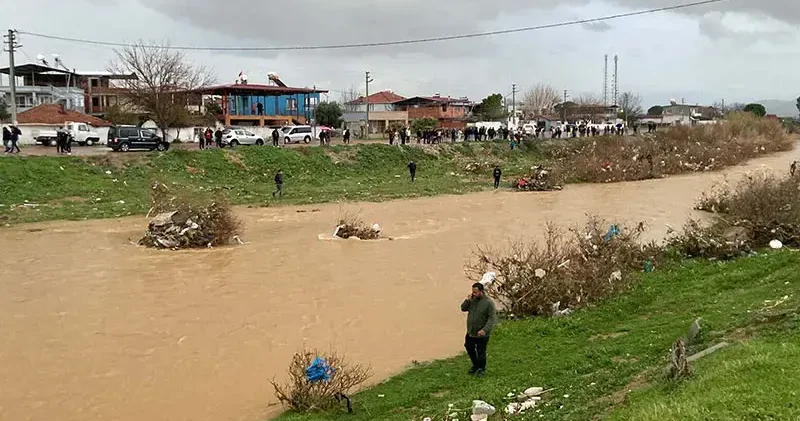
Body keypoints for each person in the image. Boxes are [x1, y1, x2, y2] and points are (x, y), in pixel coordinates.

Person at [460, 283, 497, 377]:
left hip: (482, 333)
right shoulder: (472, 300)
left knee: (481, 351)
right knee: (468, 347)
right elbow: (463, 309)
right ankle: (475, 365)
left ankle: (481, 368)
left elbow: (492, 319)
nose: (474, 294)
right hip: (471, 331)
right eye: (473, 292)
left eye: (475, 292)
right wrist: (467, 300)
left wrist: (485, 330)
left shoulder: (489, 303)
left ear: (481, 291)